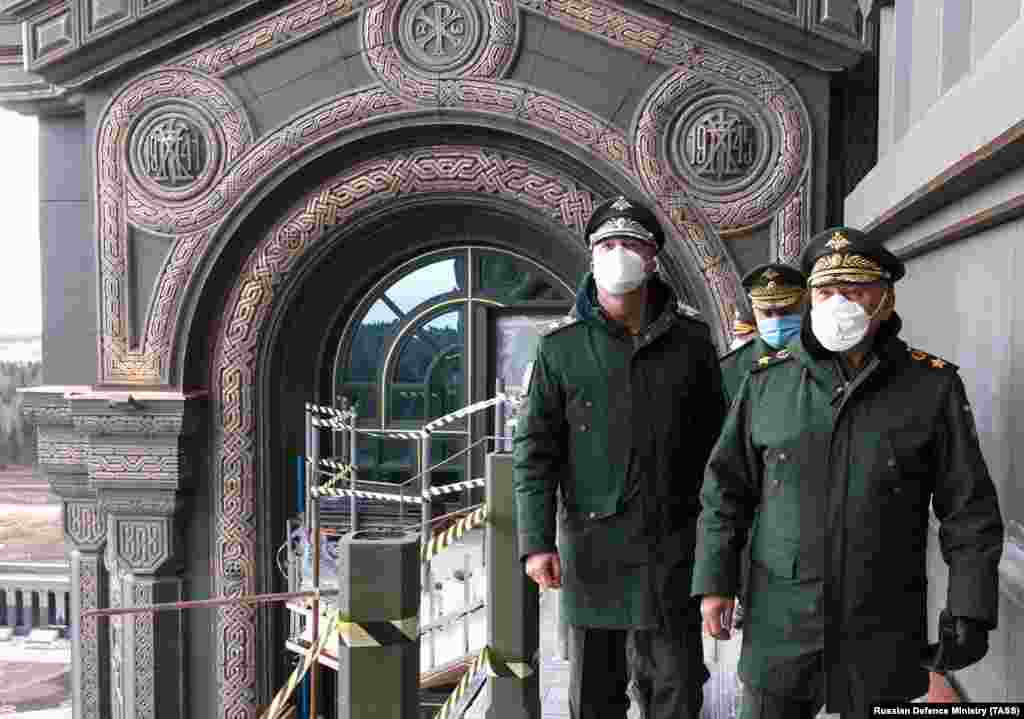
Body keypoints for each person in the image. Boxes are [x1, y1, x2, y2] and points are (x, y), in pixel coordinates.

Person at [691, 227, 1004, 718]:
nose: (838, 303)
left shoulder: (931, 387)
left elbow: (969, 511)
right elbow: (725, 494)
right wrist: (715, 582)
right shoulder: (767, 383)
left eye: (853, 290)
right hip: (782, 620)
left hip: (881, 621)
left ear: (885, 297)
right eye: (824, 291)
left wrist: (971, 606)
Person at [513, 195, 726, 719]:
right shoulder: (560, 348)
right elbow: (535, 452)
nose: (618, 253)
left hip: (672, 546)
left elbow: (719, 453)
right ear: (591, 256)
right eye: (607, 244)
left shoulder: (692, 341)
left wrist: (722, 556)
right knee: (594, 693)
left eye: (630, 243)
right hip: (593, 549)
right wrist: (536, 543)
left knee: (676, 686)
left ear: (653, 258)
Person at [720, 263, 807, 406]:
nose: (776, 320)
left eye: (784, 311)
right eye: (766, 313)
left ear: (803, 306)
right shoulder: (731, 366)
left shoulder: (827, 354)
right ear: (755, 311)